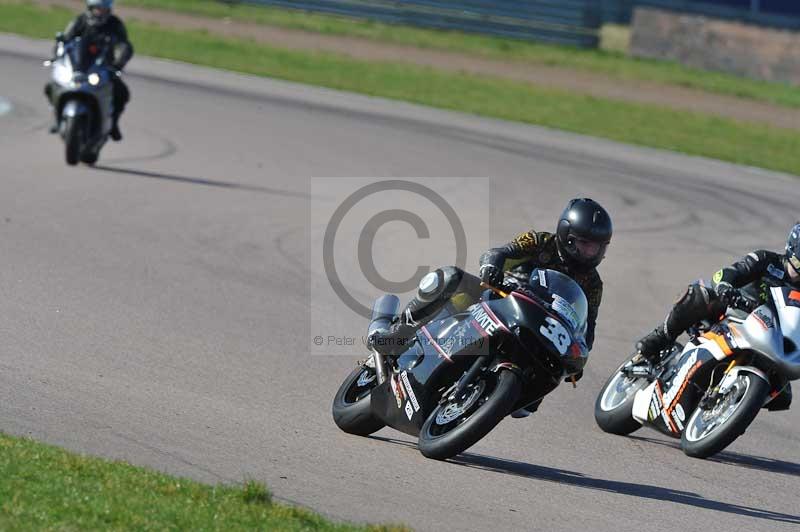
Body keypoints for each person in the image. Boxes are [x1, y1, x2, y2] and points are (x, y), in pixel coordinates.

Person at [369, 198, 612, 416]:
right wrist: (491, 267)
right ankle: (395, 335)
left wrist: (578, 356)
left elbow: (587, 327)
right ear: (567, 235)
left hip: (535, 328)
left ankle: (490, 395)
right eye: (586, 245)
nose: (593, 253)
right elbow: (501, 253)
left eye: (599, 247)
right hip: (496, 297)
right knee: (450, 279)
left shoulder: (593, 284)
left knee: (534, 397)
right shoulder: (540, 241)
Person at [636, 223, 800, 412]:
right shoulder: (766, 260)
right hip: (736, 313)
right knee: (700, 295)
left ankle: (731, 406)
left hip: (773, 340)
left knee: (783, 397)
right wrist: (725, 287)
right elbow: (731, 272)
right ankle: (660, 337)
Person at [45, 0, 133, 141]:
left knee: (121, 93)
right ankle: (56, 118)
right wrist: (58, 56)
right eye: (97, 9)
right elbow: (64, 41)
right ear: (90, 9)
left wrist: (117, 65)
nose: (100, 12)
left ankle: (113, 124)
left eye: (104, 9)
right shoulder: (80, 21)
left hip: (103, 68)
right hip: (79, 67)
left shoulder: (115, 25)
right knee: (50, 87)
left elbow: (124, 46)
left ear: (109, 10)